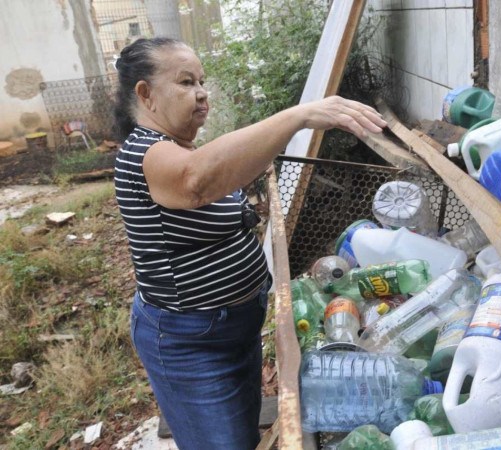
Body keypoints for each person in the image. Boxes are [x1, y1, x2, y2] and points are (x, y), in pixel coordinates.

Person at [113, 37, 386, 450]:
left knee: (241, 433)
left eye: (202, 81)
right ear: (146, 94)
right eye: (186, 82)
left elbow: (224, 173)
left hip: (235, 327)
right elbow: (194, 183)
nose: (202, 93)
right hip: (191, 343)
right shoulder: (143, 153)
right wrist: (300, 115)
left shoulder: (182, 146)